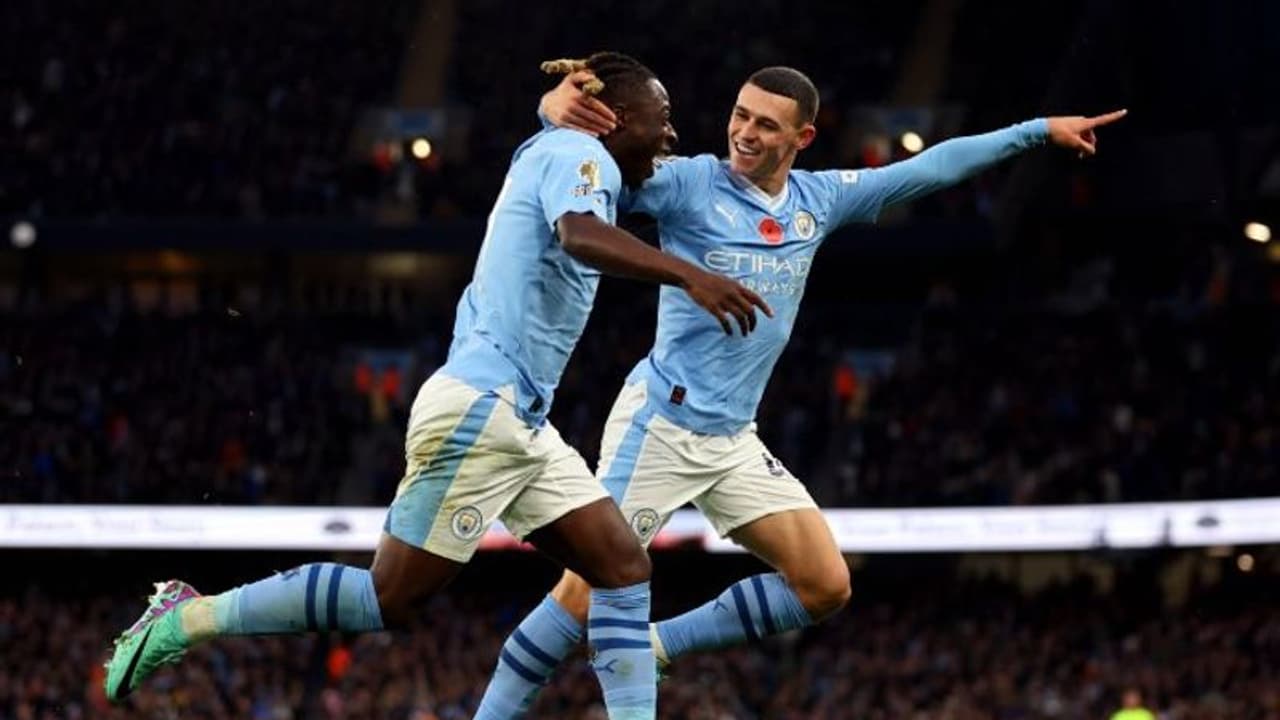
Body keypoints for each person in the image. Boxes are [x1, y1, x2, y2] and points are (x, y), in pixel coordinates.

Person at [102, 52, 771, 720]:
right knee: (386, 599)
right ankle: (190, 617)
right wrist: (690, 275)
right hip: (485, 408)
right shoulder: (576, 153)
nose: (673, 134)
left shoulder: (563, 152)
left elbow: (600, 203)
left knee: (623, 569)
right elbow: (579, 235)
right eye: (664, 118)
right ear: (617, 118)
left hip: (520, 423)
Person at [474, 63, 1126, 717]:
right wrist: (549, 118)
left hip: (731, 439)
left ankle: (659, 644)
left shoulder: (819, 201)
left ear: (803, 138)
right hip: (659, 428)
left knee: (824, 585)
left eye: (765, 124)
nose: (744, 133)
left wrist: (1038, 131)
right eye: (740, 115)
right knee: (583, 593)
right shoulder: (686, 184)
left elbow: (931, 168)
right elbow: (579, 174)